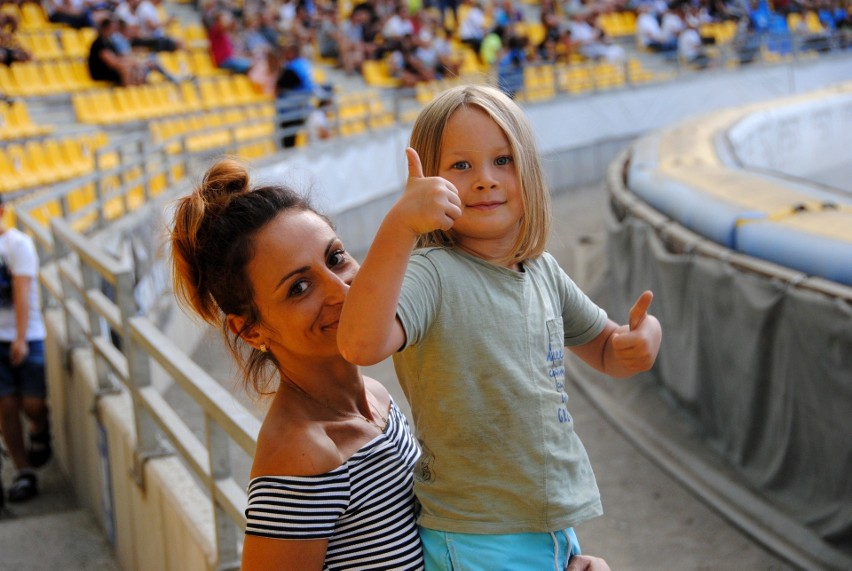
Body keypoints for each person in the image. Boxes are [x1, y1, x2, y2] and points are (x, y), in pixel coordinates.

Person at [337, 84, 662, 570]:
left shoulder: (542, 270)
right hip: (476, 536)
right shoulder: (432, 272)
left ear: (530, 169)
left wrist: (639, 341)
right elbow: (360, 342)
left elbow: (606, 348)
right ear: (427, 179)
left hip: (547, 526)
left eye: (503, 160)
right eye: (461, 166)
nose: (485, 180)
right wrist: (399, 226)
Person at [168, 158, 423, 570]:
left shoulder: (377, 398)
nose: (341, 290)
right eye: (299, 287)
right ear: (249, 331)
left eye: (336, 257)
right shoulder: (302, 459)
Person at [0, 194, 51, 504]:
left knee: (32, 404)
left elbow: (22, 292)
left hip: (26, 334)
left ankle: (40, 428)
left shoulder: (18, 245)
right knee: (5, 407)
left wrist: (19, 338)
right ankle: (24, 472)